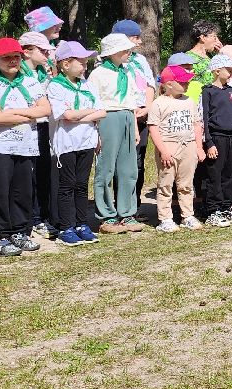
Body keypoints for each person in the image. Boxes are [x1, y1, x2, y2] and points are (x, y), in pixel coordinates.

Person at [0, 36, 50, 256]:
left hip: (27, 146)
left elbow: (45, 109)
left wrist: (14, 113)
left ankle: (19, 231)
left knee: (23, 191)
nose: (12, 61)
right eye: (6, 58)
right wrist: (29, 115)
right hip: (0, 146)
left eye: (16, 57)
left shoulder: (30, 82)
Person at [45, 40, 104, 246]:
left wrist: (81, 115)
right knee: (66, 186)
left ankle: (82, 223)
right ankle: (66, 226)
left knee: (81, 185)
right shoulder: (55, 86)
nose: (85, 65)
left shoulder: (87, 84)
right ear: (65, 63)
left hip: (86, 141)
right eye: (81, 61)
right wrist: (89, 113)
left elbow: (102, 111)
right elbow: (66, 115)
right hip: (66, 143)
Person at [88, 32, 147, 233]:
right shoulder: (98, 74)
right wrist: (95, 131)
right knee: (106, 168)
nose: (129, 53)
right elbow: (93, 103)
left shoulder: (128, 71)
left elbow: (131, 101)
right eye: (124, 50)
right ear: (112, 52)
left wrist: (135, 126)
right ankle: (106, 216)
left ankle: (127, 212)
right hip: (107, 118)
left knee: (129, 168)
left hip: (127, 118)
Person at [151, 65, 205, 232]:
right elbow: (153, 128)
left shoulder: (189, 101)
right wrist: (163, 150)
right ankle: (165, 218)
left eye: (187, 81)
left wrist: (199, 147)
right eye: (182, 82)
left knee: (186, 183)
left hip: (188, 146)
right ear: (168, 84)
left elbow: (197, 125)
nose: (186, 84)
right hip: (168, 146)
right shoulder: (159, 103)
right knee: (166, 183)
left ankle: (187, 215)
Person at [110, 19, 156, 207]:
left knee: (138, 161)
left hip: (140, 116)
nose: (139, 42)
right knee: (120, 162)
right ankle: (120, 204)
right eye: (135, 38)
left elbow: (150, 84)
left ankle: (134, 204)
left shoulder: (140, 60)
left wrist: (148, 106)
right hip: (120, 116)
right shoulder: (108, 62)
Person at [18, 29, 59, 237]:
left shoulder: (43, 72)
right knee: (28, 175)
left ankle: (41, 216)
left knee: (43, 172)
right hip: (26, 127)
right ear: (26, 52)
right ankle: (30, 219)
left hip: (44, 126)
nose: (46, 55)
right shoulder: (19, 73)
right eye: (42, 51)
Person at [200, 55, 232, 224]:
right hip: (216, 138)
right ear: (217, 71)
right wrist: (209, 142)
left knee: (230, 174)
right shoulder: (208, 91)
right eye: (228, 68)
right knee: (215, 174)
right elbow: (204, 118)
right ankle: (213, 210)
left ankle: (227, 207)